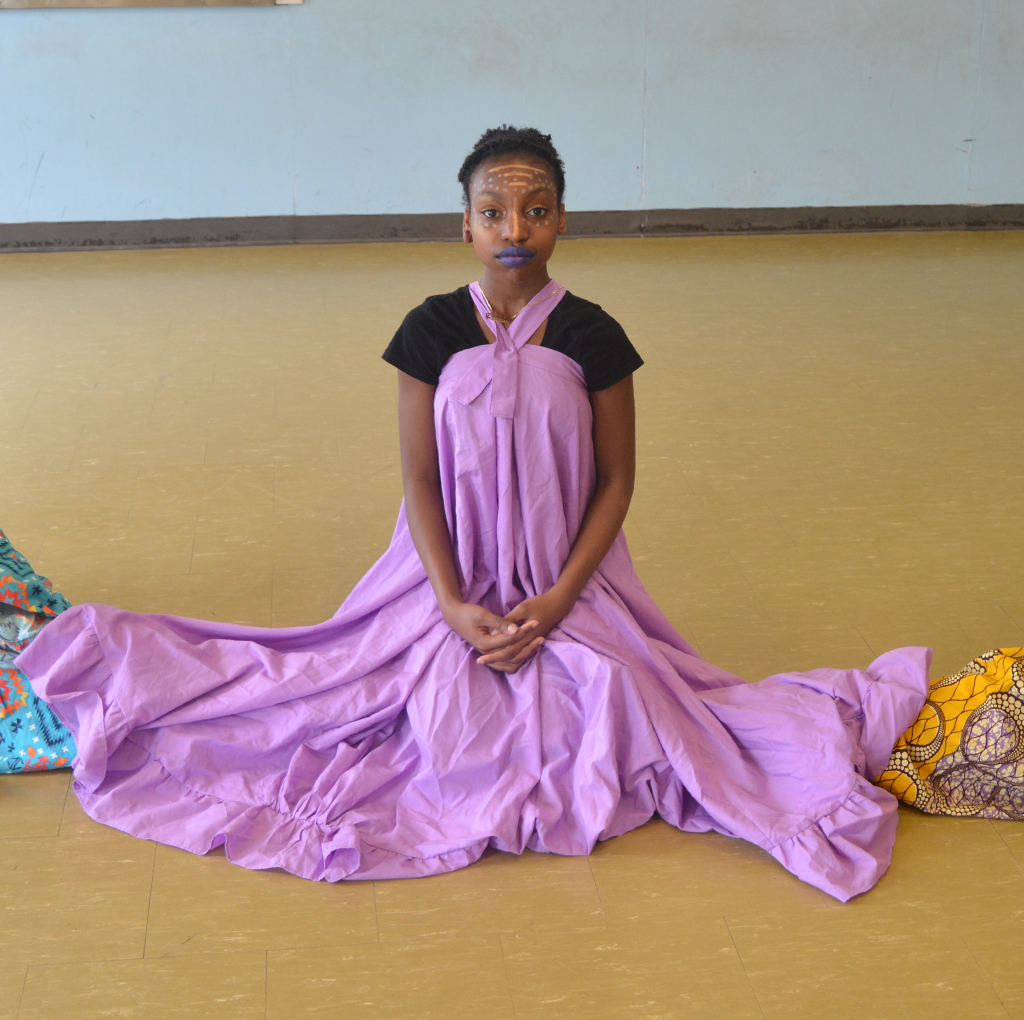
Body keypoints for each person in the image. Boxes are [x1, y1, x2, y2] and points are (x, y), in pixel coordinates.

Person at [18, 126, 945, 902]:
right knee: (350, 709)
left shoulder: (595, 336)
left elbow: (617, 482)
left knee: (621, 707)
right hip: (444, 582)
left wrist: (557, 602)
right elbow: (418, 479)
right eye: (495, 210)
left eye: (536, 208)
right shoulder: (428, 331)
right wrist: (455, 602)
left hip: (567, 587)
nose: (516, 227)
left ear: (561, 221)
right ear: (464, 224)